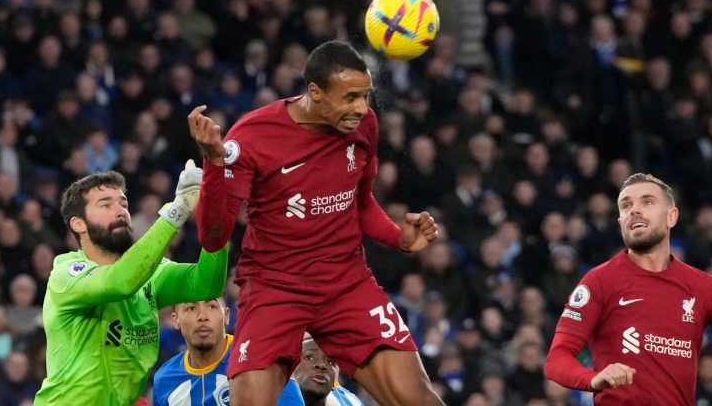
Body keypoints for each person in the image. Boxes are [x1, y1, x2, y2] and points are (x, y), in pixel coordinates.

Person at [188, 40, 444, 406]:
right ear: (315, 93)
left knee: (418, 398)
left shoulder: (365, 125)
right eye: (350, 97)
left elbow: (360, 203)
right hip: (275, 288)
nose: (361, 109)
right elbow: (213, 238)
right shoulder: (253, 136)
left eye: (365, 96)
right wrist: (215, 163)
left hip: (346, 283)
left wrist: (397, 238)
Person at [34, 162, 228, 405]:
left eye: (123, 204)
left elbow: (207, 284)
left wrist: (214, 214)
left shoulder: (153, 273)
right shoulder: (67, 273)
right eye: (105, 205)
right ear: (78, 224)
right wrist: (177, 209)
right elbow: (120, 282)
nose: (120, 211)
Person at [544, 173, 712, 405]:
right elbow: (557, 360)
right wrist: (593, 379)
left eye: (647, 202)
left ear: (672, 217)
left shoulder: (703, 287)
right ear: (620, 222)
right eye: (626, 205)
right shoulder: (600, 281)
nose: (634, 210)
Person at [153, 297, 304, 405]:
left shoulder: (261, 360)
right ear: (175, 320)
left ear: (226, 315)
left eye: (212, 306)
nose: (202, 316)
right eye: (191, 308)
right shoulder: (164, 378)